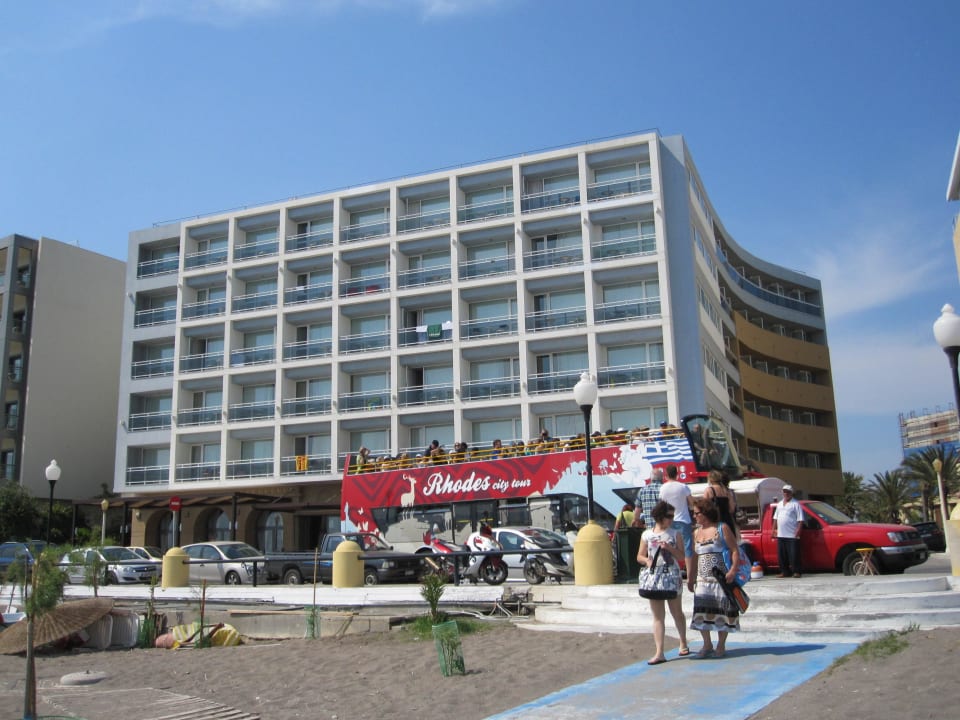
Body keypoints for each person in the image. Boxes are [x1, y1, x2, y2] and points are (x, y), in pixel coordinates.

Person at [637, 500, 690, 664]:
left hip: (671, 576)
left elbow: (682, 556)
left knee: (676, 612)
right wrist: (647, 561)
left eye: (672, 516)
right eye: (668, 516)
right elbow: (639, 556)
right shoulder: (647, 534)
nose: (671, 519)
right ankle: (659, 652)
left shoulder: (675, 534)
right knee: (658, 616)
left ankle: (683, 642)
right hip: (654, 577)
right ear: (659, 516)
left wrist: (669, 548)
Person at [689, 497, 740, 658]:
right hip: (703, 580)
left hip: (720, 579)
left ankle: (721, 645)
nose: (694, 516)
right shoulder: (696, 532)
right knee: (701, 612)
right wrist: (691, 578)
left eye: (697, 513)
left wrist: (732, 570)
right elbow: (694, 556)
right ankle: (707, 644)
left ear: (705, 513)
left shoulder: (722, 528)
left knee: (722, 612)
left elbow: (734, 550)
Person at [659, 464, 694, 582]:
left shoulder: (663, 488)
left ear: (666, 474)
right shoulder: (683, 487)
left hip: (669, 520)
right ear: (677, 473)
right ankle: (690, 576)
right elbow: (691, 503)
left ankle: (672, 573)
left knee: (670, 547)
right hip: (684, 519)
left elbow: (662, 505)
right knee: (688, 548)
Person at [773, 484, 804, 578]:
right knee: (782, 555)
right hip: (781, 534)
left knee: (794, 555)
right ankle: (784, 572)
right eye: (784, 491)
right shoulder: (779, 504)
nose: (786, 493)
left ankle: (796, 572)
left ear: (791, 493)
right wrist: (773, 529)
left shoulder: (796, 504)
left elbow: (800, 519)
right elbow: (775, 518)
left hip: (792, 534)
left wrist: (798, 530)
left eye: (788, 492)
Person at [704, 469, 738, 538]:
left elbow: (704, 507)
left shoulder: (708, 490)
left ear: (710, 479)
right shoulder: (726, 491)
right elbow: (732, 509)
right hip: (727, 521)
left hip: (715, 521)